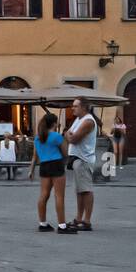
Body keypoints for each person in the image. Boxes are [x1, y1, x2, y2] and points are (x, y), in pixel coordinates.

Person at [29, 112, 77, 234]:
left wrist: (31, 170)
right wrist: (66, 139)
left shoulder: (38, 137)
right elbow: (65, 153)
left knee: (44, 195)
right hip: (56, 164)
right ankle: (62, 226)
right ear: (54, 123)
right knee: (59, 196)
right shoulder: (56, 136)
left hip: (44, 166)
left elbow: (35, 156)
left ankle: (43, 224)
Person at [65, 97, 99, 231]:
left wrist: (68, 135)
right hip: (77, 159)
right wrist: (68, 134)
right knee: (80, 191)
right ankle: (79, 218)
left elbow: (73, 138)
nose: (72, 108)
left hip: (84, 159)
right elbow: (67, 133)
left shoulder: (88, 121)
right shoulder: (78, 120)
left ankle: (87, 221)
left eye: (75, 106)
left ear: (84, 107)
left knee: (86, 190)